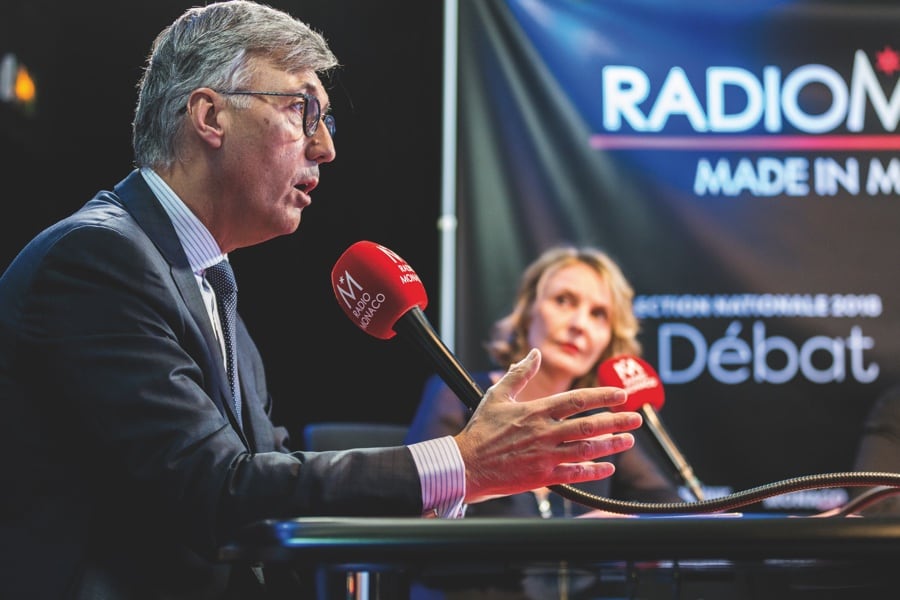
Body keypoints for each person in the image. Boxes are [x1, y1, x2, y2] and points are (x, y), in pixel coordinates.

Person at [0, 2, 645, 598]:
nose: (327, 147)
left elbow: (276, 478)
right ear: (210, 116)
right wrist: (463, 462)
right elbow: (220, 490)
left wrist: (469, 472)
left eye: (326, 121)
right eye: (302, 112)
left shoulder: (203, 283)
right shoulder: (98, 261)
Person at [406, 245, 683, 519]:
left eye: (598, 314)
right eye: (564, 300)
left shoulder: (601, 423)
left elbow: (673, 512)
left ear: (609, 339)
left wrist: (629, 524)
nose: (579, 324)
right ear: (528, 312)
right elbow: (416, 519)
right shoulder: (455, 397)